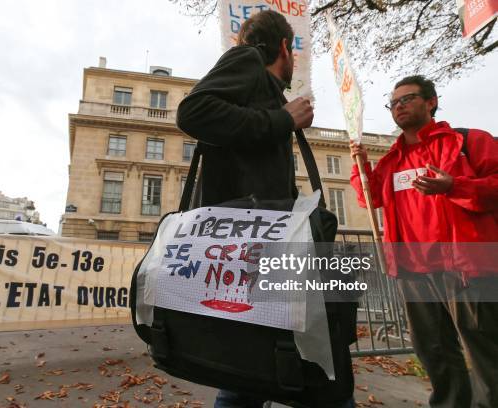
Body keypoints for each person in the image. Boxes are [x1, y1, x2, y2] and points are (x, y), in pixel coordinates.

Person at [177, 10, 355, 408]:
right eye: (292, 53)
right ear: (283, 47)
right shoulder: (248, 59)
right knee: (316, 375)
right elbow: (193, 112)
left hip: (254, 246)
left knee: (250, 369)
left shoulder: (264, 87)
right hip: (250, 245)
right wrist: (280, 120)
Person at [350, 75, 498, 408]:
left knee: (485, 348)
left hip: (466, 267)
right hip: (414, 272)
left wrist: (455, 187)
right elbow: (369, 199)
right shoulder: (391, 160)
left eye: (407, 98)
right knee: (433, 350)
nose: (398, 106)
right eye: (393, 103)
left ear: (430, 102)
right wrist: (357, 165)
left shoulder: (467, 141)